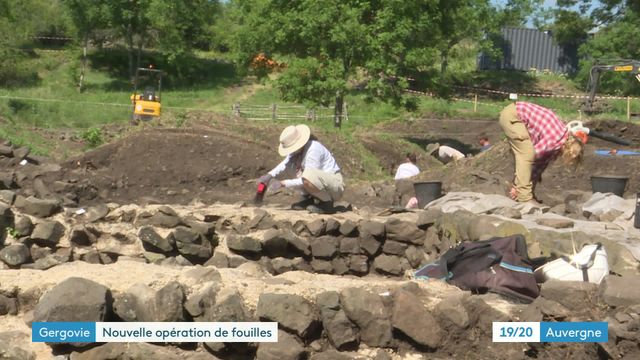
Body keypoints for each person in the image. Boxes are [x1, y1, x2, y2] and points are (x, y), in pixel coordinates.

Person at [499, 102, 586, 203]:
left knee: (529, 157)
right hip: (514, 115)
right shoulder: (555, 139)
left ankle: (526, 193)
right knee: (526, 153)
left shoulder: (558, 144)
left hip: (518, 117)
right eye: (569, 159)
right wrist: (516, 185)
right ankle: (524, 198)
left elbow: (538, 167)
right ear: (568, 150)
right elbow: (529, 157)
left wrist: (530, 189)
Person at [258, 124, 343, 214]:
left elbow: (309, 178)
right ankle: (307, 198)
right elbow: (285, 164)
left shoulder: (313, 149)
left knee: (307, 177)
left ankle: (326, 204)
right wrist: (269, 175)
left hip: (334, 186)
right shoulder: (298, 151)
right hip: (321, 183)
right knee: (290, 167)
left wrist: (282, 183)